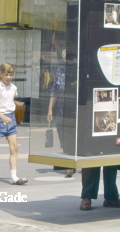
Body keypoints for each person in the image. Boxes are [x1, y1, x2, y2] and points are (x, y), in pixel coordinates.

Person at [47, 49, 76, 177]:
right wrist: (50, 109)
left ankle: (71, 164)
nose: (67, 59)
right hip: (61, 107)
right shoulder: (60, 70)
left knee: (73, 134)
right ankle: (68, 157)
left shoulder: (77, 69)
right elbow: (54, 90)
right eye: (65, 57)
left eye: (69, 57)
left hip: (74, 107)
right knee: (61, 132)